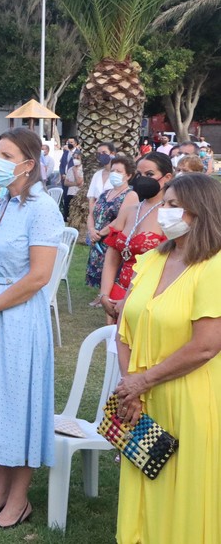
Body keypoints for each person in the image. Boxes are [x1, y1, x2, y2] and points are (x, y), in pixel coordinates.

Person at [0, 127, 64, 530]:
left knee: (17, 405)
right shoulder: (3, 200)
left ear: (28, 163)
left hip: (18, 317)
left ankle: (19, 500)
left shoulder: (42, 209)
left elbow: (39, 276)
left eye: (4, 154)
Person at [109, 173, 221, 544]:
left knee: (184, 489)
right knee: (144, 480)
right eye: (164, 203)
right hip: (139, 400)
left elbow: (206, 345)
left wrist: (143, 381)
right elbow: (125, 327)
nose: (163, 211)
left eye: (173, 205)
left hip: (187, 398)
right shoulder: (152, 260)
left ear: (200, 211)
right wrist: (131, 388)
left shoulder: (214, 267)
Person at [98, 152, 173, 323]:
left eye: (149, 174)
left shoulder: (170, 216)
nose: (142, 179)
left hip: (150, 296)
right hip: (118, 291)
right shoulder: (129, 211)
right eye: (139, 175)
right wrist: (104, 294)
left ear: (167, 177)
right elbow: (112, 257)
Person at [84, 155, 136, 304]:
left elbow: (120, 219)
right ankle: (101, 295)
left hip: (111, 239)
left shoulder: (130, 195)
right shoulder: (105, 193)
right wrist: (92, 230)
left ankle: (107, 296)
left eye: (119, 171)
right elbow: (92, 213)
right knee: (99, 268)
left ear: (128, 175)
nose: (114, 174)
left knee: (111, 269)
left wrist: (101, 233)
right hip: (97, 238)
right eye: (113, 170)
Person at [61, 149, 83, 220]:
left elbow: (80, 182)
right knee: (67, 215)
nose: (75, 160)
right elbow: (66, 183)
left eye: (77, 158)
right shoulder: (70, 169)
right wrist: (75, 183)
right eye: (74, 158)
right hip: (70, 193)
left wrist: (75, 171)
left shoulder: (83, 169)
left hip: (78, 194)